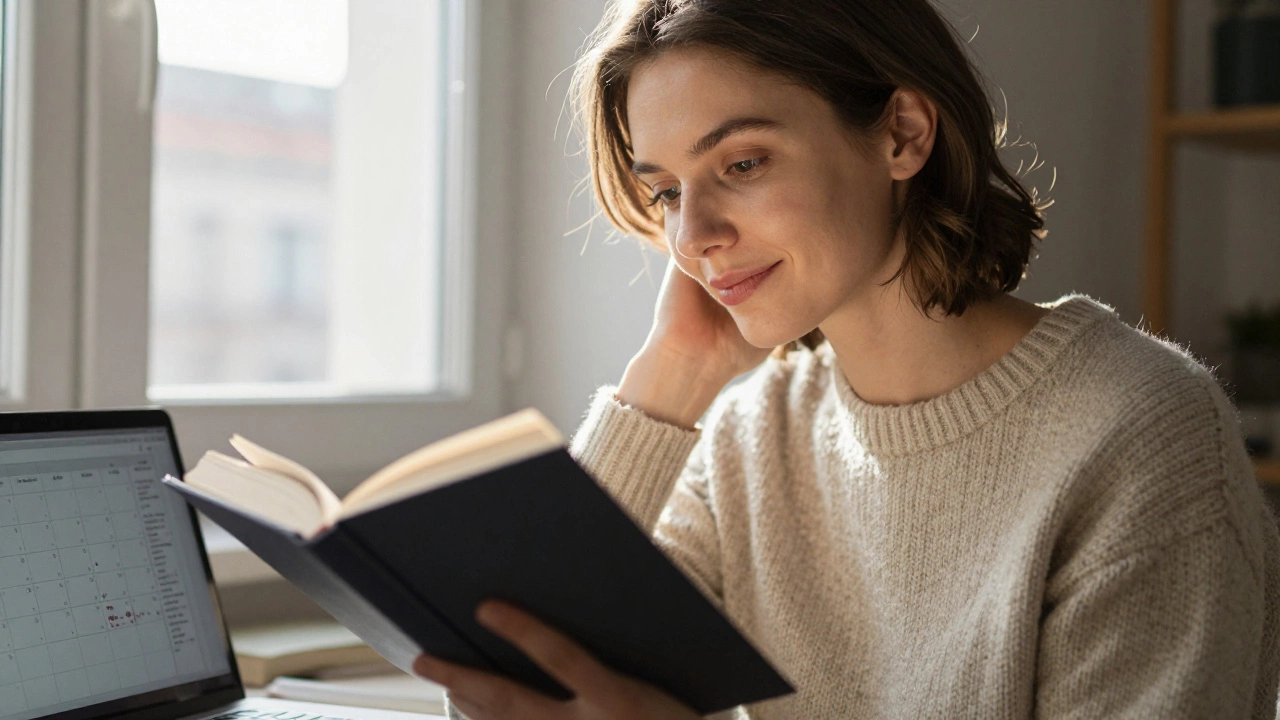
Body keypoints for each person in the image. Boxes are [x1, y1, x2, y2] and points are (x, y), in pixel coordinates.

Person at [413, 0, 1280, 717]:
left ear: (902, 134)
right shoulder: (750, 442)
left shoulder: (1140, 431)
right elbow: (496, 688)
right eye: (668, 193)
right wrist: (671, 374)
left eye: (742, 163)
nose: (694, 237)